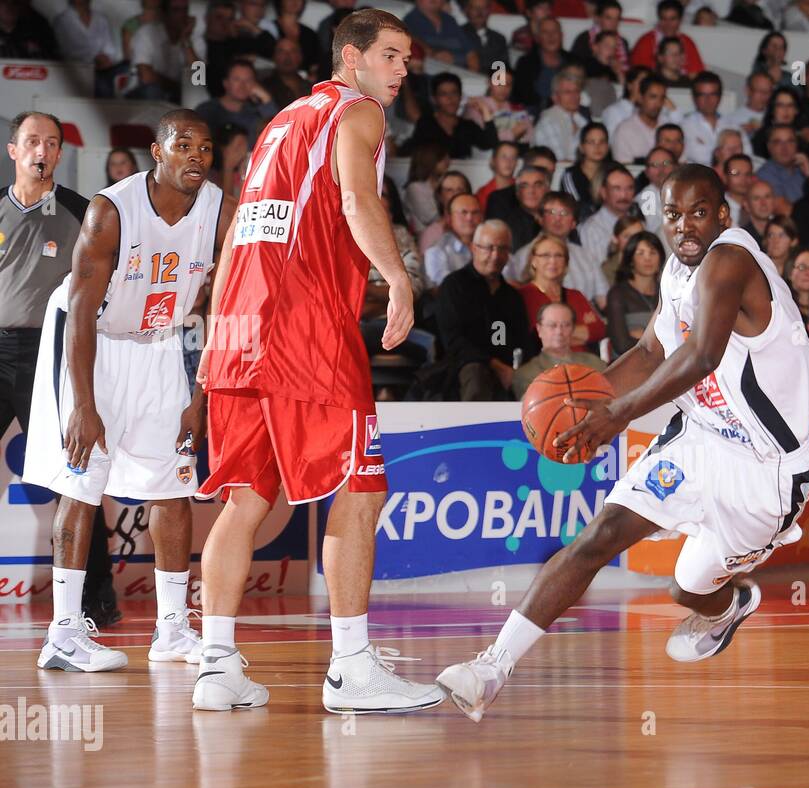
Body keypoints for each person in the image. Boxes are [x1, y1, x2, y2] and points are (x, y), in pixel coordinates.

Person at [437, 165, 809, 721]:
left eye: (698, 212)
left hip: (766, 470)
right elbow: (649, 353)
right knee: (600, 535)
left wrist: (615, 416)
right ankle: (491, 669)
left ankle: (729, 602)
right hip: (700, 439)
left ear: (722, 214)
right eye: (672, 214)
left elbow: (701, 357)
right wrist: (587, 408)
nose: (684, 226)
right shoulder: (676, 272)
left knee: (687, 591)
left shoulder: (732, 259)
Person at [195, 10, 445, 714]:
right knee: (363, 490)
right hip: (300, 327)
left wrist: (218, 326)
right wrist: (398, 277)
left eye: (407, 58)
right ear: (352, 57)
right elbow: (357, 198)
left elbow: (242, 222)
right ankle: (352, 666)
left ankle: (215, 664)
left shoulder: (281, 121)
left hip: (238, 325)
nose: (402, 70)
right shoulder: (356, 110)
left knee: (247, 498)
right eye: (391, 55)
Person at [24, 112, 230, 672]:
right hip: (93, 341)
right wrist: (84, 406)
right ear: (156, 153)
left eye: (206, 148)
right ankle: (64, 633)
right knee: (82, 479)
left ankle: (170, 630)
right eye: (183, 144)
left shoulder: (217, 208)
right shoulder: (109, 210)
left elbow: (222, 304)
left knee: (173, 485)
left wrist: (199, 394)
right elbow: (84, 311)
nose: (196, 156)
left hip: (162, 342)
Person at [2, 112, 120, 627]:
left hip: (49, 356)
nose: (42, 150)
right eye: (32, 141)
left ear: (60, 154)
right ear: (13, 151)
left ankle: (97, 596)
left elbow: (109, 282)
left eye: (51, 143)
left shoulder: (80, 211)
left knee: (73, 475)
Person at [432, 220, 536, 399]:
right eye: (488, 248)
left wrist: (516, 370)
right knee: (475, 372)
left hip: (509, 367)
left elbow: (521, 341)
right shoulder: (454, 286)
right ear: (473, 248)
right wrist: (495, 365)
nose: (495, 255)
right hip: (463, 366)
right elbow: (453, 340)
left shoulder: (512, 296)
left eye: (503, 249)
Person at [516, 235, 606, 353]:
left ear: (565, 262)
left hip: (582, 364)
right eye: (545, 255)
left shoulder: (575, 295)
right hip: (543, 367)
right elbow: (532, 338)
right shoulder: (522, 296)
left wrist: (553, 334)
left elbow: (599, 330)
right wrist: (579, 332)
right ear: (533, 261)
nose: (552, 261)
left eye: (558, 256)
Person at [513, 303, 608, 397]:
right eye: (552, 325)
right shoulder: (526, 374)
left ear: (573, 329)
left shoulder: (595, 363)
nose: (559, 331)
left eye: (566, 325)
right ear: (539, 329)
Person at [605, 230, 664, 356]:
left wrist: (642, 337)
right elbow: (622, 345)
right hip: (629, 366)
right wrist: (660, 340)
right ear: (630, 259)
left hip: (666, 366)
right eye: (640, 253)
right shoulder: (618, 294)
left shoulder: (668, 291)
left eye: (653, 252)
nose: (648, 259)